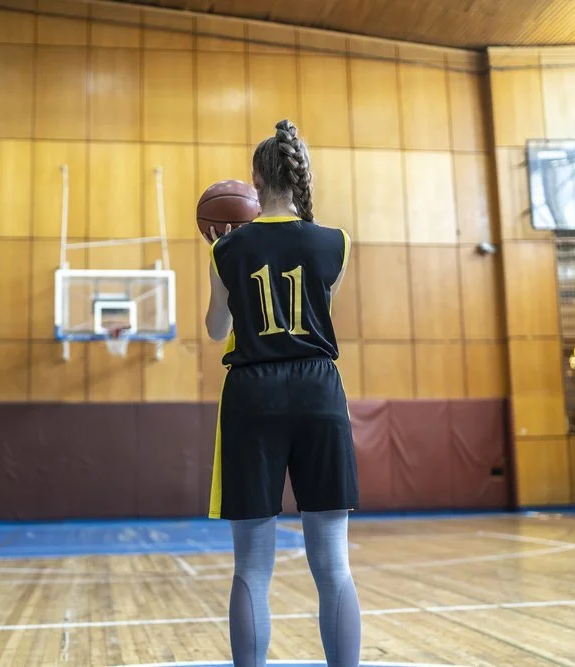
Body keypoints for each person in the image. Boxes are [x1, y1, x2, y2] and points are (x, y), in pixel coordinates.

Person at [203, 119, 361, 667]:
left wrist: (223, 254)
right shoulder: (336, 242)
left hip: (252, 395)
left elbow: (215, 329)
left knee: (251, 566)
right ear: (301, 176)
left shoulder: (227, 249)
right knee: (333, 563)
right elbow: (319, 309)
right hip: (319, 392)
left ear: (253, 180)